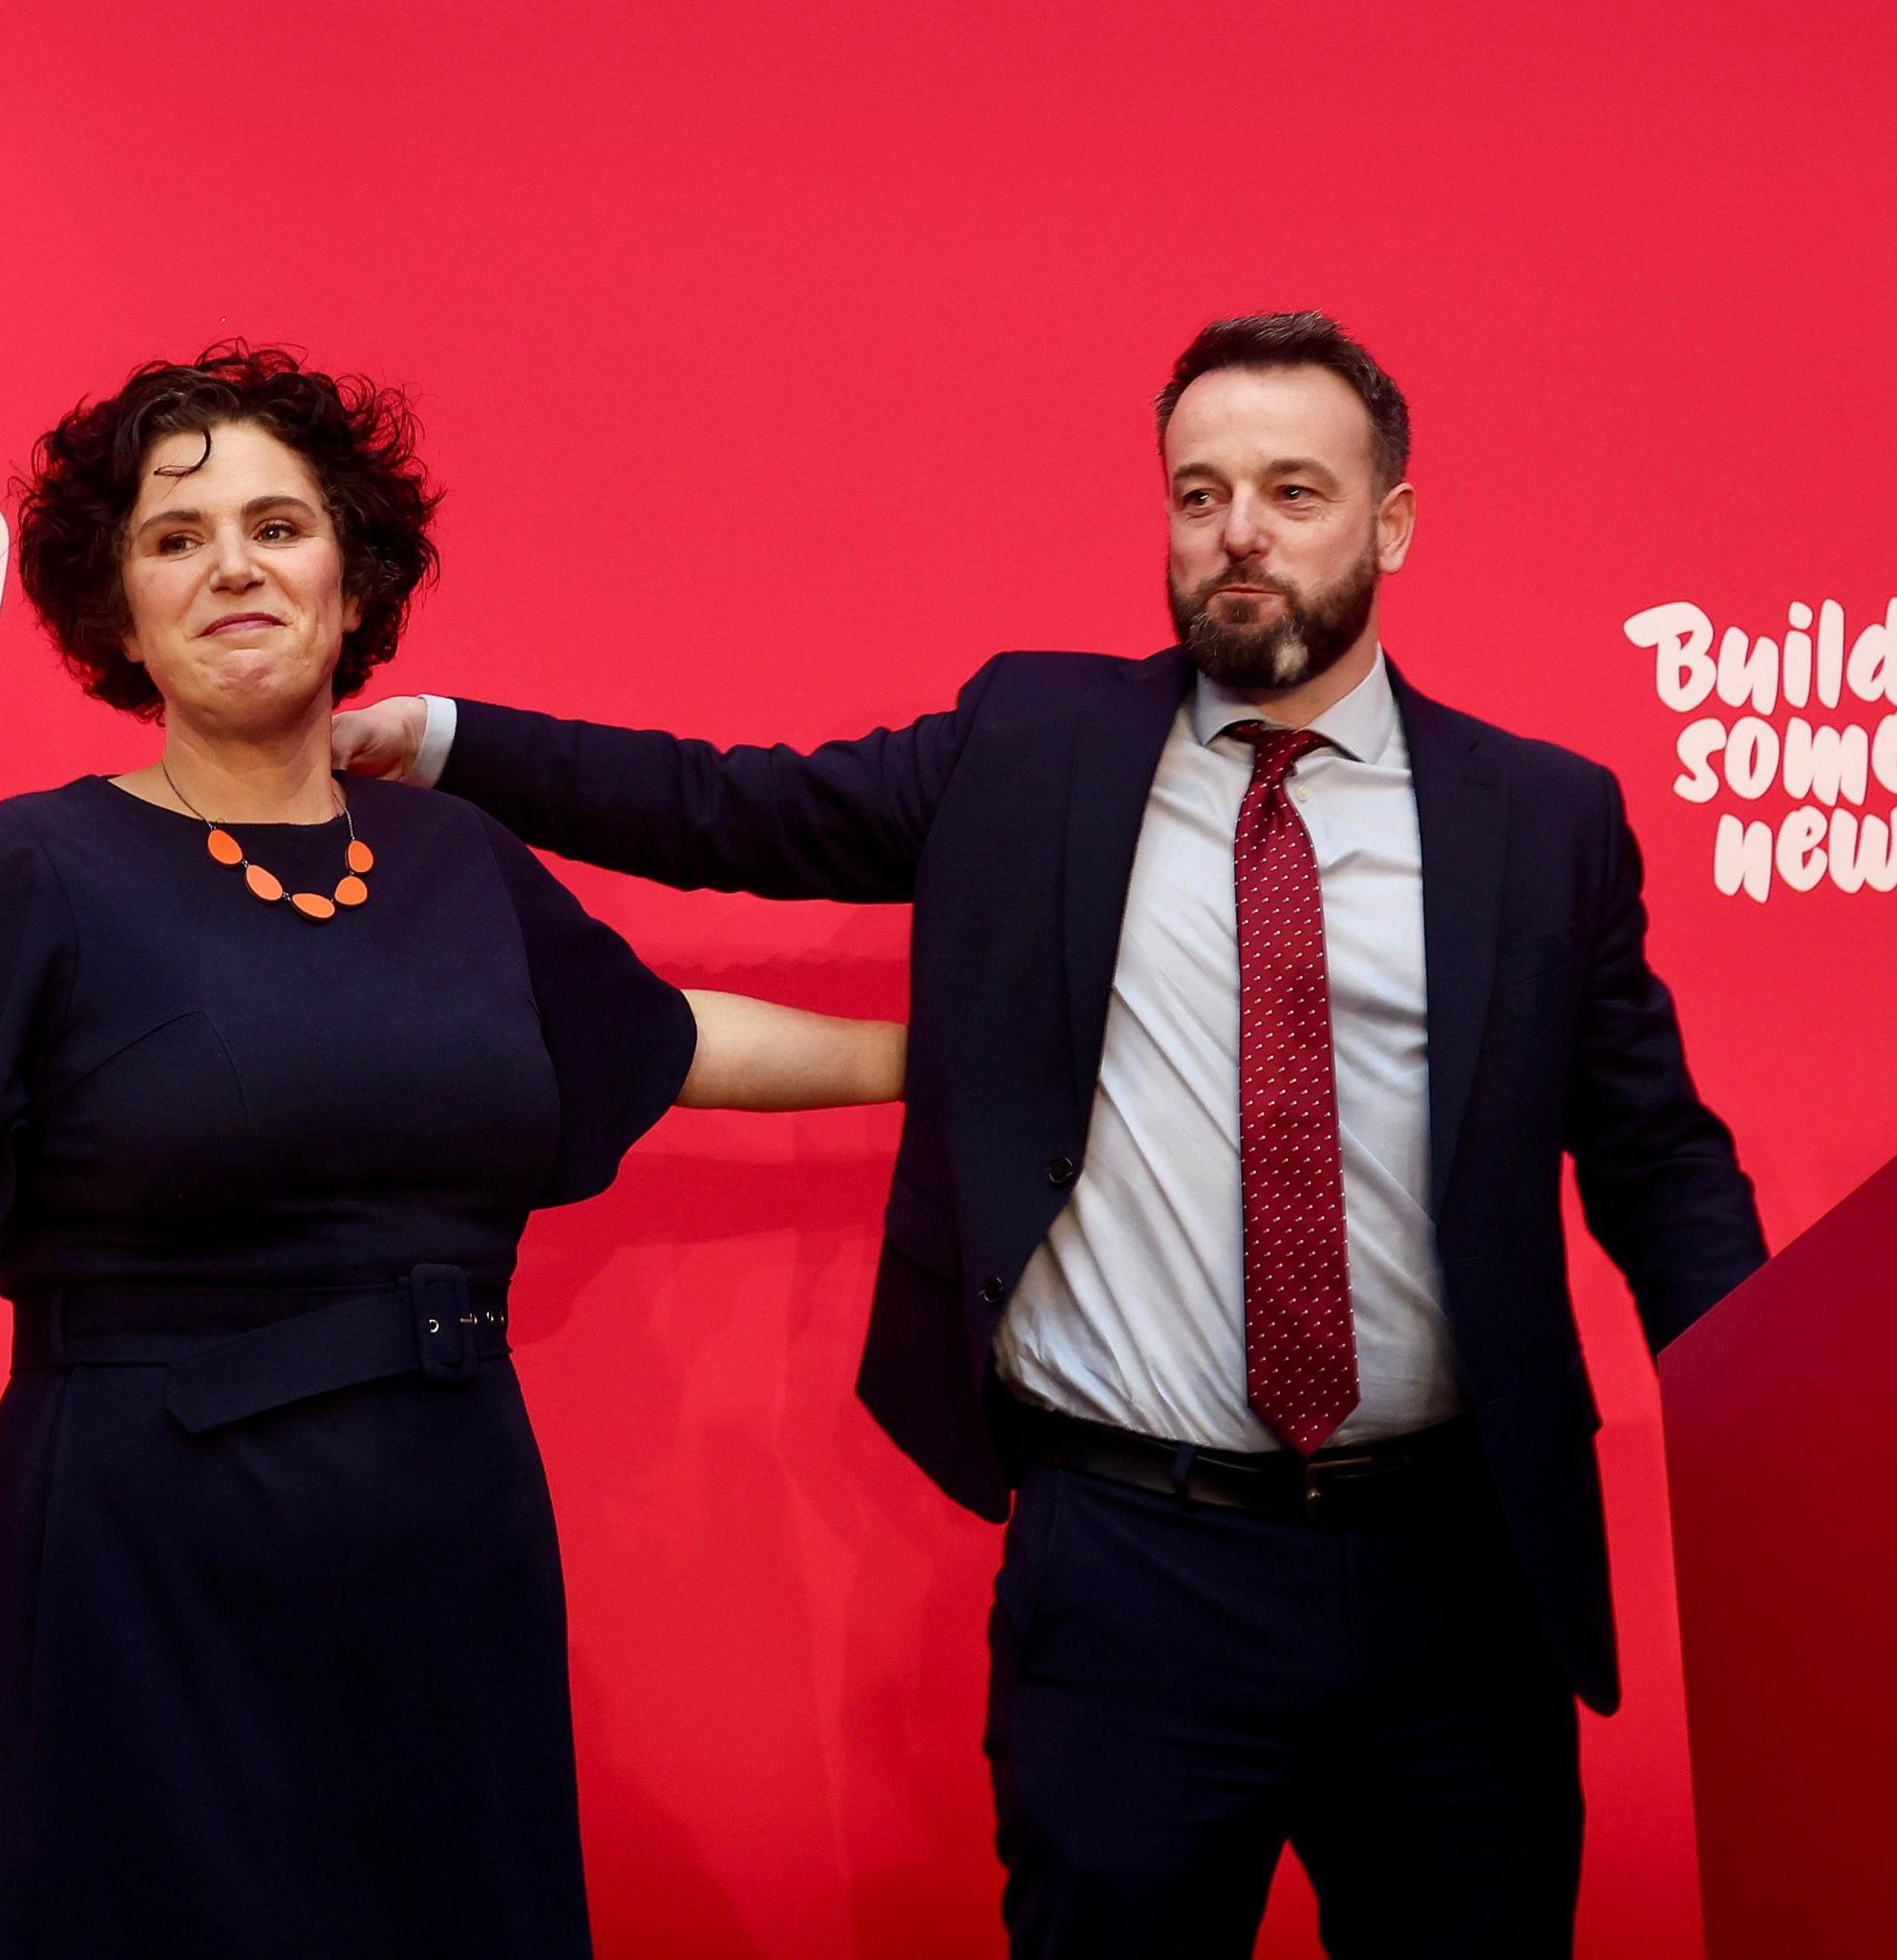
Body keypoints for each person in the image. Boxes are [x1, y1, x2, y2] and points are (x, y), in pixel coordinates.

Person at [334, 311, 1769, 1957]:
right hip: (1136, 1581)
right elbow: (731, 806)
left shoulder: (1546, 817)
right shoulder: (1033, 747)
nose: (1239, 532)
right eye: (1199, 491)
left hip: (1456, 1584)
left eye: (1294, 492)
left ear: (1391, 523)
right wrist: (442, 741)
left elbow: (1656, 1159)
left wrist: (1781, 1433)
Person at [0, 345, 904, 1959]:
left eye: (279, 525)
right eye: (175, 538)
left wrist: (982, 1065)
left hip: (450, 1548)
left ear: (352, 582)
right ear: (117, 614)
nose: (234, 565)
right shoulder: (29, 875)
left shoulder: (462, 858)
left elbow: (675, 1042)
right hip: (148, 1575)